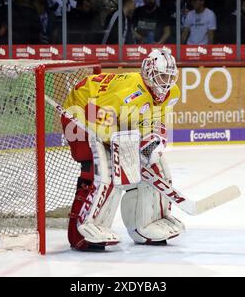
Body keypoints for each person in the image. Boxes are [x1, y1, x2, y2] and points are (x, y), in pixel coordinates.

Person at [62, 48, 185, 251]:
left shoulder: (172, 92)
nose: (165, 82)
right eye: (161, 76)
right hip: (82, 112)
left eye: (169, 77)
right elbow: (96, 119)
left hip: (114, 118)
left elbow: (155, 120)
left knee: (156, 166)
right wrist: (123, 145)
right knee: (104, 171)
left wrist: (150, 142)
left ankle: (146, 224)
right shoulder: (128, 94)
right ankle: (81, 231)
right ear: (148, 73)